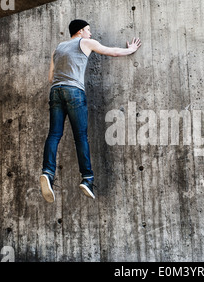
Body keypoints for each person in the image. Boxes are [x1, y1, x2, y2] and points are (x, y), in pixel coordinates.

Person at [40, 19, 142, 203]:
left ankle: (47, 172)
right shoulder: (85, 42)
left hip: (55, 91)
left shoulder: (58, 48)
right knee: (80, 137)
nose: (90, 33)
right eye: (88, 30)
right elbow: (113, 52)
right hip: (74, 92)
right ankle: (87, 179)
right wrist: (131, 50)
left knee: (54, 134)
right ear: (79, 31)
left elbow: (50, 78)